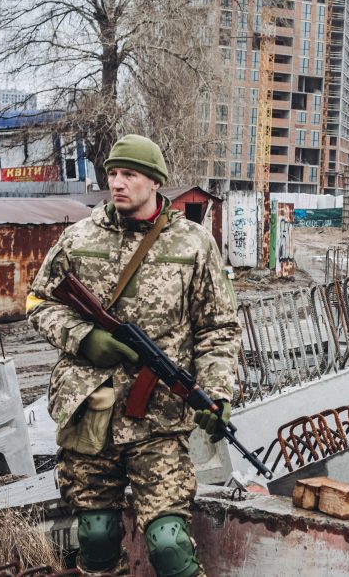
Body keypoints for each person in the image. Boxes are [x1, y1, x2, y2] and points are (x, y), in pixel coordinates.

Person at [27, 135, 240, 577]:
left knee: (169, 544)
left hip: (158, 422)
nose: (118, 183)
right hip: (91, 415)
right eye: (113, 174)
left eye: (130, 175)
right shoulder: (79, 237)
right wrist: (84, 337)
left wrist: (216, 394)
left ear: (155, 182)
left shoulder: (194, 243)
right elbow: (38, 302)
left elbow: (219, 327)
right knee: (96, 534)